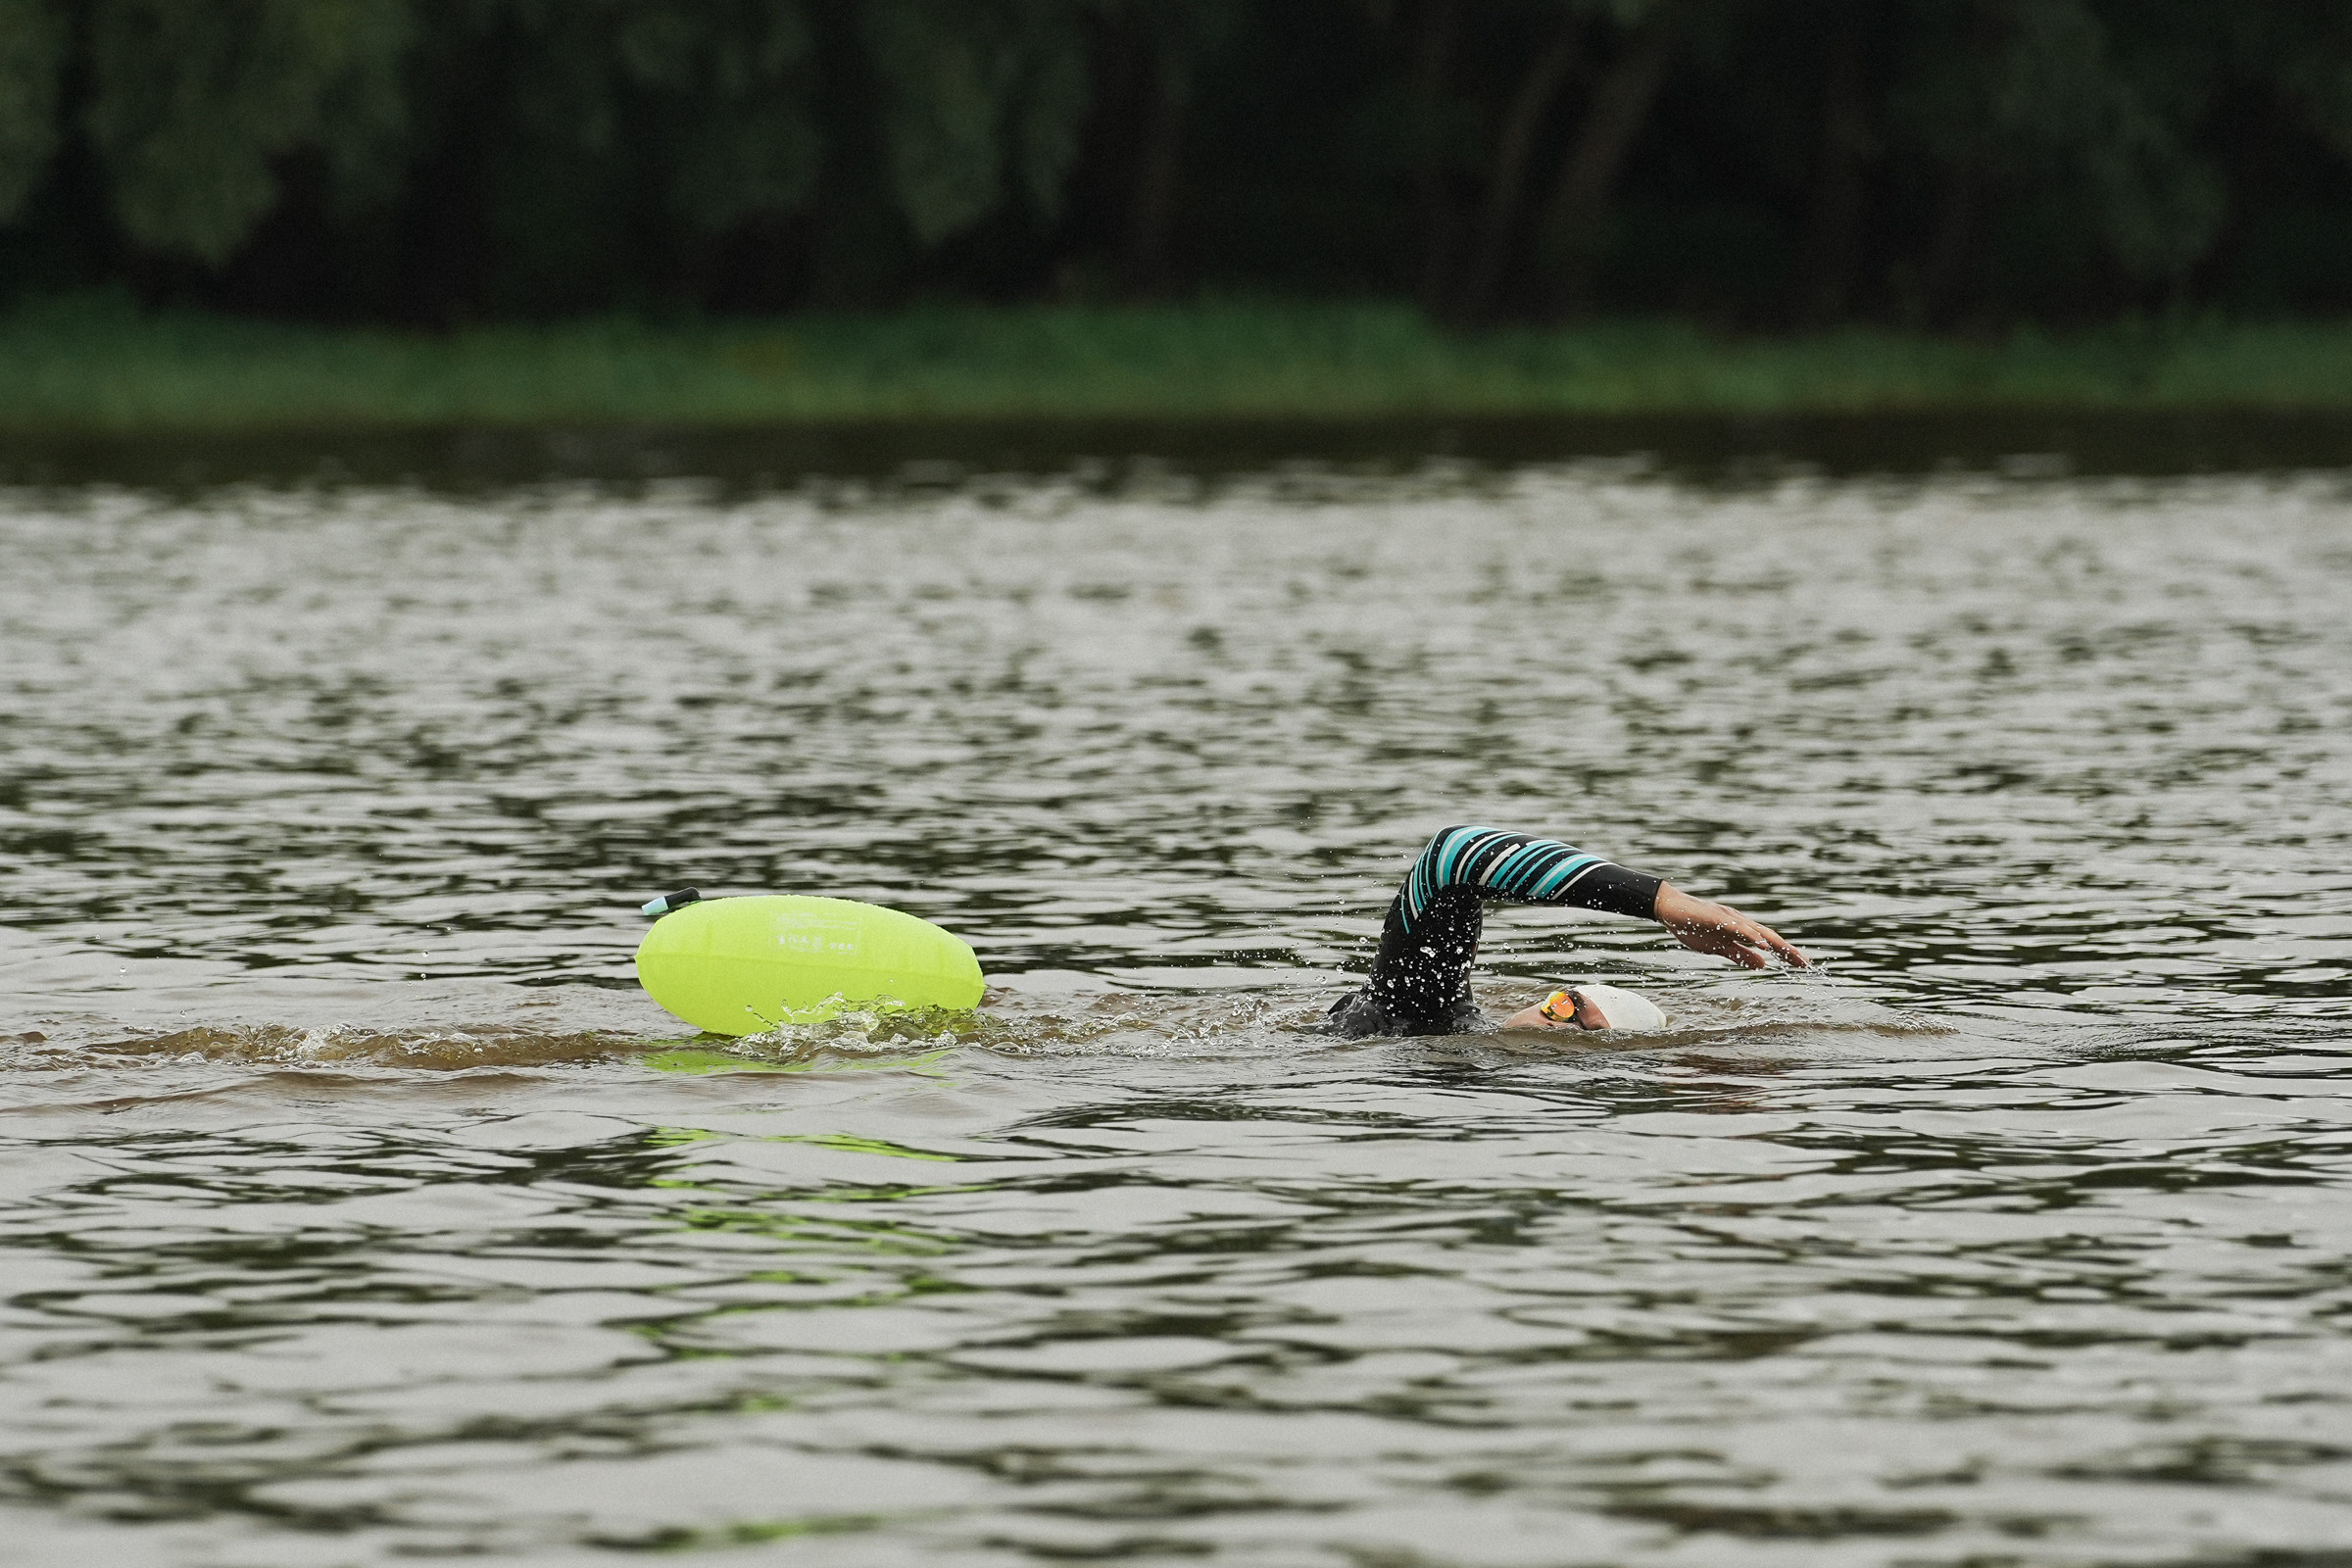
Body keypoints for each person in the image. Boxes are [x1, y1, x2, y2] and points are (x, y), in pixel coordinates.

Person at [1324, 825, 1806, 1038]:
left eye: (1577, 1024)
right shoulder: (1412, 1009)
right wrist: (1663, 902)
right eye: (1564, 1003)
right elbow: (1457, 853)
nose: (1557, 1022)